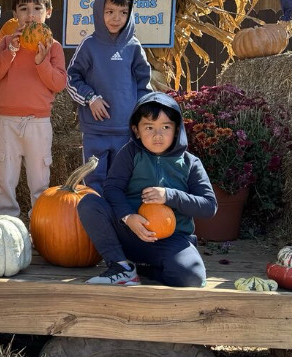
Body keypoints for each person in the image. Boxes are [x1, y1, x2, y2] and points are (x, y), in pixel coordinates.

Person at [79, 92, 216, 286]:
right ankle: (121, 266)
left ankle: (144, 271)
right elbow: (112, 189)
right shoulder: (130, 153)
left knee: (192, 277)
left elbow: (209, 206)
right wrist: (128, 217)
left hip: (171, 240)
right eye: (149, 127)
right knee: (89, 203)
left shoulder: (190, 163)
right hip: (130, 233)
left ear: (177, 129)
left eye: (166, 127)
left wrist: (170, 196)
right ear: (136, 130)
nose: (157, 135)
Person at [0, 0, 67, 217]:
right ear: (15, 15)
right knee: (5, 176)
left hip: (38, 123)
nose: (30, 15)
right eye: (23, 9)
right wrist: (11, 51)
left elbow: (59, 84)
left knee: (39, 178)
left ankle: (40, 224)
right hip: (8, 121)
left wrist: (41, 62)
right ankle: (6, 220)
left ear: (48, 13)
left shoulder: (53, 47)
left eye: (37, 9)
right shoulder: (6, 43)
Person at [66, 0, 152, 193]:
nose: (116, 18)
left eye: (123, 12)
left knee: (122, 182)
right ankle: (96, 220)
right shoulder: (89, 45)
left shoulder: (133, 46)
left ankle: (118, 222)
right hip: (95, 131)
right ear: (99, 12)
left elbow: (143, 85)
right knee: (94, 182)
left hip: (125, 131)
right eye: (110, 12)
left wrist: (143, 118)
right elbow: (71, 78)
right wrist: (91, 98)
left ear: (130, 13)